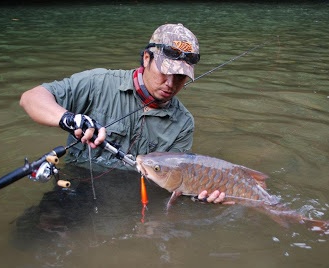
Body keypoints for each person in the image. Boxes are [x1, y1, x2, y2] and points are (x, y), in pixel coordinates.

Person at [20, 23, 225, 204]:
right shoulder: (97, 83)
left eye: (180, 77)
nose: (170, 84)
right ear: (146, 58)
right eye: (165, 71)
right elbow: (31, 98)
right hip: (76, 187)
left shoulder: (184, 123)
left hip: (133, 199)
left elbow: (174, 181)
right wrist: (69, 119)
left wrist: (200, 195)